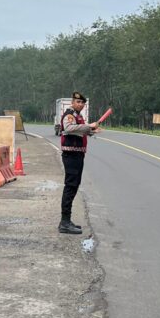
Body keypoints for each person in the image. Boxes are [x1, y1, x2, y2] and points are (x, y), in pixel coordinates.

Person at [58, 91, 101, 234]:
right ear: (72, 102)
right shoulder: (69, 115)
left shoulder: (79, 116)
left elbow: (78, 131)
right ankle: (64, 222)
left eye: (82, 103)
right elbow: (69, 128)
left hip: (77, 154)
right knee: (70, 186)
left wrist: (91, 130)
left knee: (74, 185)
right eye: (78, 102)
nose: (80, 104)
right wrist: (89, 126)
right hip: (71, 154)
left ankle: (67, 220)